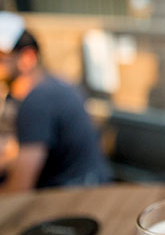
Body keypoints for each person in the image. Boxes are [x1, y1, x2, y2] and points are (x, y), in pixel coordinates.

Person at [0, 12, 111, 192]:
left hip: (69, 198)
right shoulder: (54, 83)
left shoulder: (37, 102)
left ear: (27, 57)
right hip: (92, 183)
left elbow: (19, 187)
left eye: (1, 58)